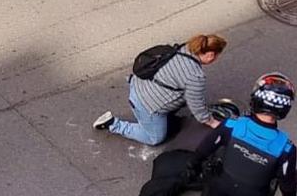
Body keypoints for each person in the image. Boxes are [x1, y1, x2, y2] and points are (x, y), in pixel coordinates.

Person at [95, 101, 240, 196]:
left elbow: (165, 123)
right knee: (166, 187)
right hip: (196, 164)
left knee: (158, 188)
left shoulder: (192, 119)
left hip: (171, 160)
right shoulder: (231, 132)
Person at [95, 34, 227, 146]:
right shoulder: (195, 76)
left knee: (183, 96)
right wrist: (212, 122)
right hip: (146, 104)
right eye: (217, 56)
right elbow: (198, 108)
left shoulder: (184, 48)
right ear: (210, 55)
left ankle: (162, 118)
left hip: (138, 84)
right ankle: (113, 124)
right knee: (154, 138)